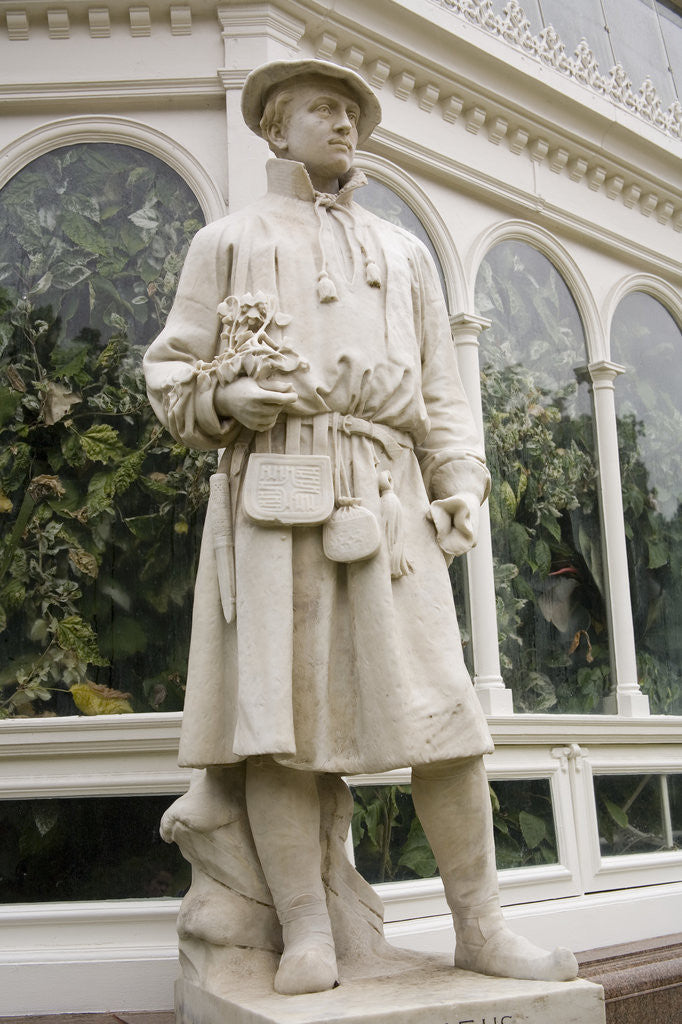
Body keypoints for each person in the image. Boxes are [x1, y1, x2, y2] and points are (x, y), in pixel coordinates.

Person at [144, 58, 578, 996]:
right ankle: (307, 932)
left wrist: (459, 481)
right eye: (322, 109)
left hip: (390, 495)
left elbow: (442, 392)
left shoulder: (406, 251)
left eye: (352, 112)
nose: (344, 124)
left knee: (447, 718)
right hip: (277, 493)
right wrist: (227, 398)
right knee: (280, 726)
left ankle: (480, 926)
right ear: (275, 129)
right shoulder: (228, 239)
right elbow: (171, 373)